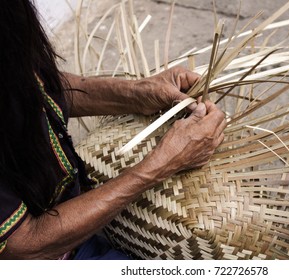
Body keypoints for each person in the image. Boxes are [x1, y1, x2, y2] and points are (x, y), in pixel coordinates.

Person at [0, 0, 226, 259]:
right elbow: (25, 245)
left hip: (68, 215)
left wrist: (136, 92)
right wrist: (163, 163)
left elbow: (36, 85)